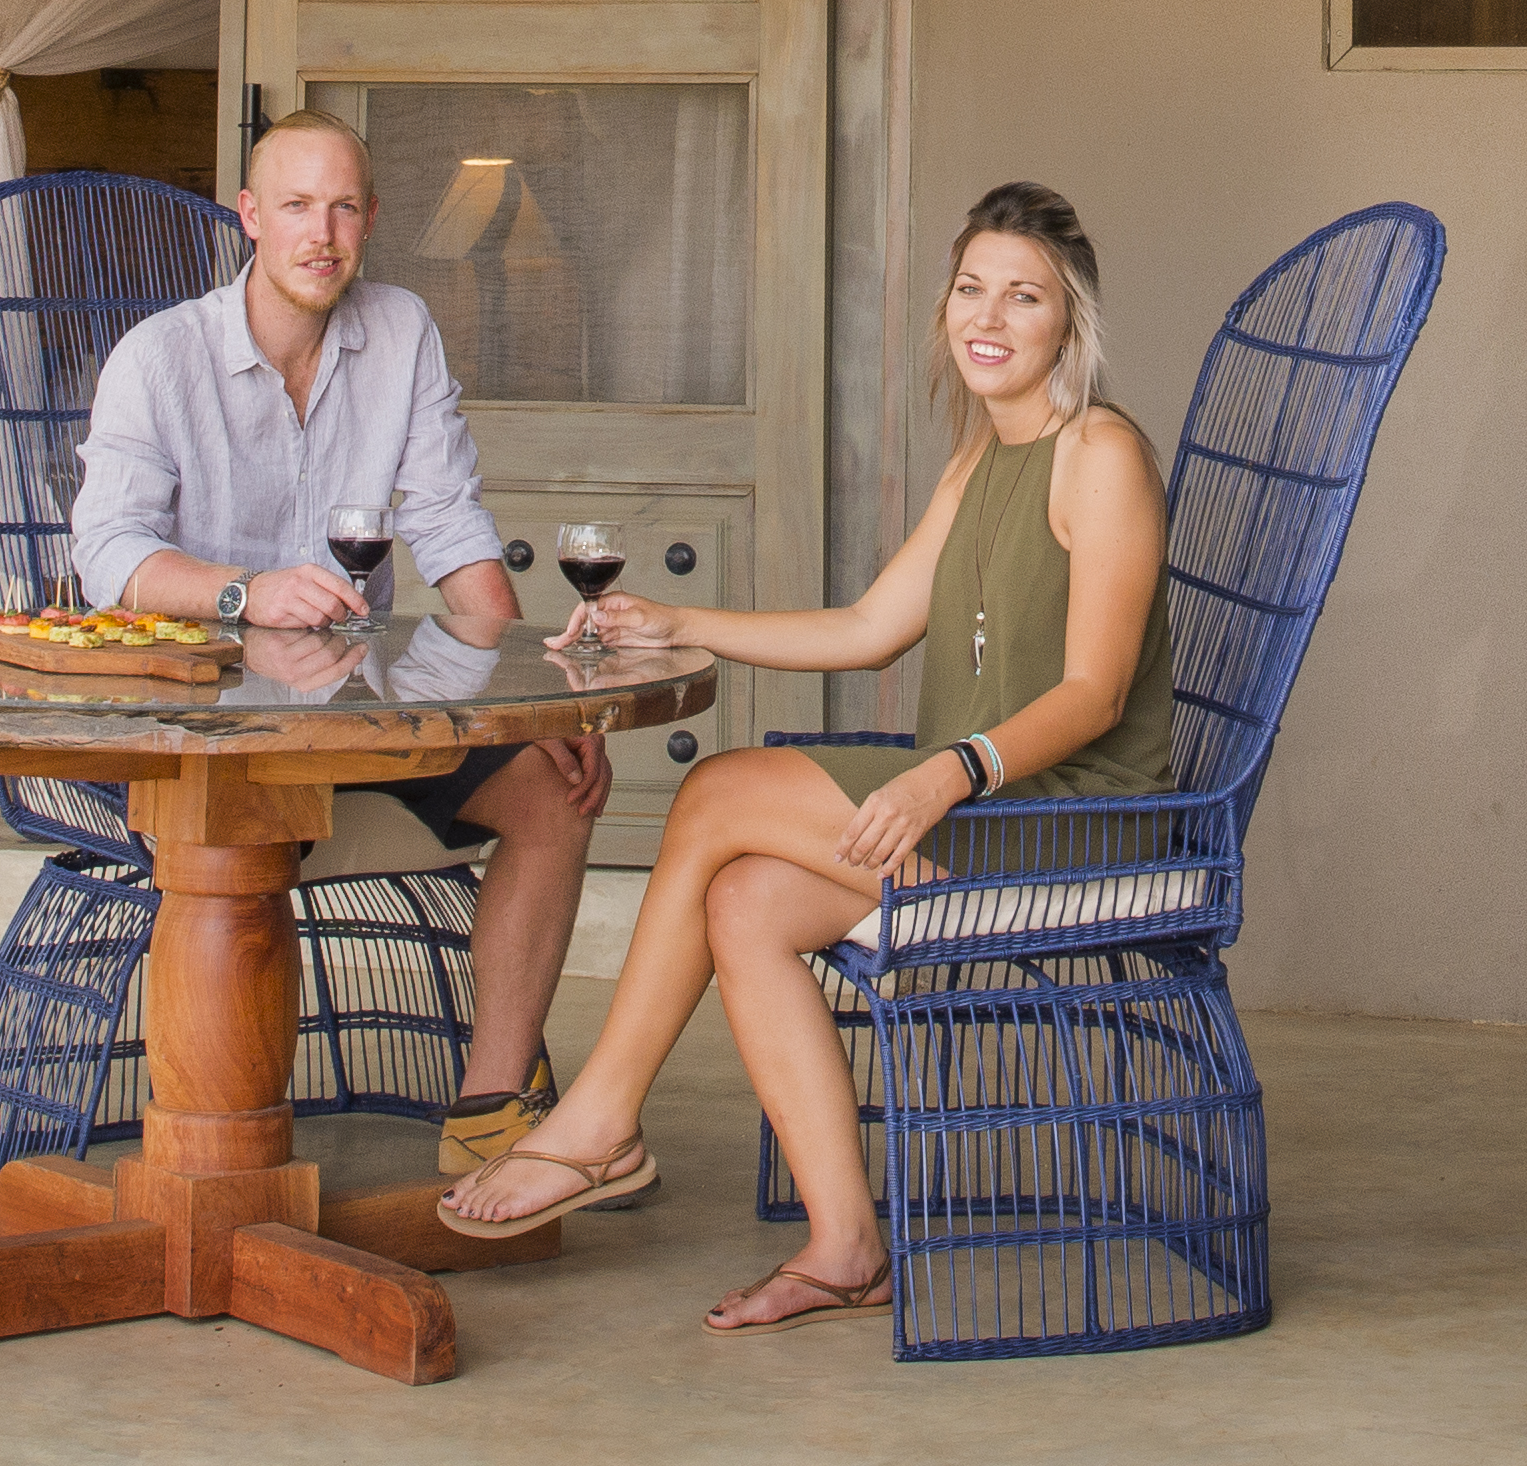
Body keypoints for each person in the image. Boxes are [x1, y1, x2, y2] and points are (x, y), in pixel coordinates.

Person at [431, 180, 1173, 1328]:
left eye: (1023, 296)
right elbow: (867, 628)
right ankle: (845, 1246)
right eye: (971, 287)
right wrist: (685, 621)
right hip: (974, 805)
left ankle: (598, 1120)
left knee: (723, 787)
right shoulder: (980, 461)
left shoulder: (1101, 453)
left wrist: (950, 769)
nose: (989, 315)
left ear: (1067, 321)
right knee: (745, 901)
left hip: (1064, 820)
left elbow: (1096, 692)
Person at [59, 109, 612, 1164]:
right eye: (299, 207)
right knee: (242, 831)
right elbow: (107, 553)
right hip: (201, 740)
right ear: (252, 219)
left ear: (370, 220)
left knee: (556, 786)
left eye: (345, 207)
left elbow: (453, 529)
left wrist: (532, 704)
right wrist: (244, 593)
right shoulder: (159, 356)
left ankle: (493, 1113)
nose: (323, 233)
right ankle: (218, 1167)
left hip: (362, 718)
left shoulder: (399, 330)